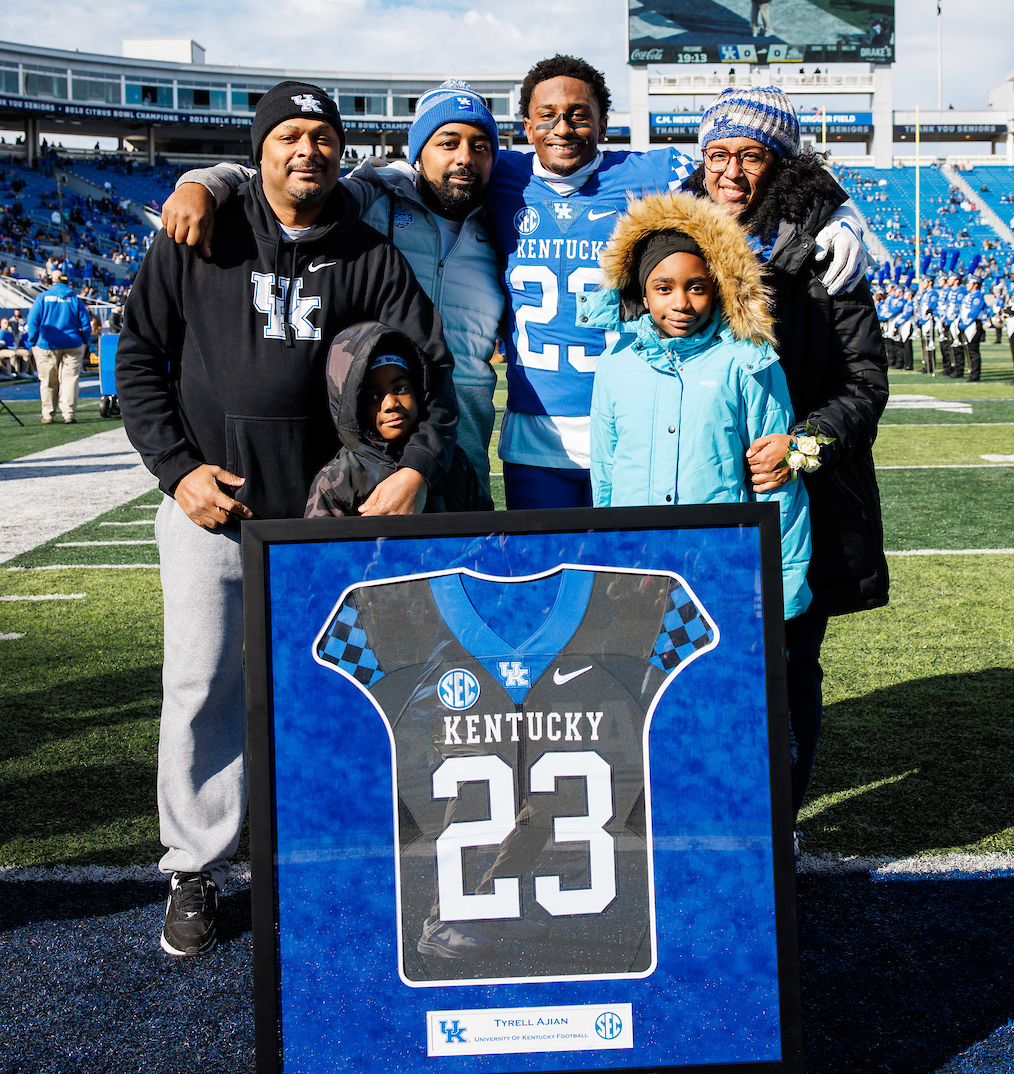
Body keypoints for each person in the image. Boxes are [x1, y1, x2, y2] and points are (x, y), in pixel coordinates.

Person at [165, 57, 871, 511]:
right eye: (547, 117)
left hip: (632, 419)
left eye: (580, 115)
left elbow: (750, 176)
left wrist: (836, 209)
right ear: (524, 127)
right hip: (529, 428)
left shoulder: (647, 172)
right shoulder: (486, 176)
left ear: (603, 120)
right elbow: (298, 181)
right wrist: (208, 178)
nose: (563, 128)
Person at [116, 81, 458, 958]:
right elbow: (140, 359)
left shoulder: (371, 254)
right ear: (259, 150)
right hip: (211, 510)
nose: (307, 151)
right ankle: (194, 868)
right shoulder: (202, 230)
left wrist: (415, 467)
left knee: (338, 688)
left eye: (322, 136)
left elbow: (434, 375)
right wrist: (177, 470)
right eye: (289, 136)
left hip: (325, 521)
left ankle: (326, 859)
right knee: (200, 691)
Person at [582, 84, 889, 825]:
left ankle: (777, 825)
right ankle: (692, 817)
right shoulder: (673, 233)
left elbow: (864, 380)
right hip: (682, 499)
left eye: (751, 155)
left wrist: (805, 445)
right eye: (717, 153)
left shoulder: (827, 248)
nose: (731, 171)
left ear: (779, 163)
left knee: (784, 670)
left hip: (791, 495)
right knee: (677, 670)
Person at [162, 80, 504, 492]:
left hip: (463, 430)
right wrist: (201, 182)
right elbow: (288, 184)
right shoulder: (375, 195)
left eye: (481, 146)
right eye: (448, 142)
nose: (465, 158)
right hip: (380, 436)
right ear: (417, 153)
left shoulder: (507, 215)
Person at [589, 190, 811, 621]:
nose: (681, 303)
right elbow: (606, 476)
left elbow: (777, 484)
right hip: (642, 563)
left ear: (719, 287)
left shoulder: (749, 361)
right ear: (642, 291)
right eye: (663, 287)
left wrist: (780, 587)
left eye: (696, 287)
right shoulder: (614, 366)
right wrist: (609, 555)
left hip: (723, 561)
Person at [305, 321, 491, 517]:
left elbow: (487, 539)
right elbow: (320, 548)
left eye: (400, 388)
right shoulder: (335, 482)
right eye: (372, 397)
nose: (391, 403)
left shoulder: (454, 463)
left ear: (419, 390)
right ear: (352, 406)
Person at [24, 272, 91, 423]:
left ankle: (48, 414)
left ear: (50, 281)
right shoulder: (74, 298)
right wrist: (85, 341)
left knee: (48, 381)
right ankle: (69, 414)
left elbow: (33, 321)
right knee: (70, 380)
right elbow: (86, 323)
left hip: (47, 344)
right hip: (73, 344)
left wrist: (32, 342)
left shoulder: (42, 298)